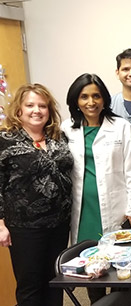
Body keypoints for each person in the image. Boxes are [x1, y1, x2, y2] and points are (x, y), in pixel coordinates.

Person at [0, 84, 73, 306]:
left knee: (54, 282)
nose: (37, 110)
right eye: (30, 105)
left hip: (59, 224)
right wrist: (0, 224)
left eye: (42, 106)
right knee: (30, 286)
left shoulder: (58, 137)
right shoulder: (5, 140)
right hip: (25, 227)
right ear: (19, 110)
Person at [62, 73, 131, 244]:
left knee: (115, 253)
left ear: (104, 99)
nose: (91, 102)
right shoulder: (67, 128)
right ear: (75, 100)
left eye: (96, 96)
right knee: (83, 253)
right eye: (84, 97)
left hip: (116, 205)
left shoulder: (121, 127)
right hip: (82, 205)